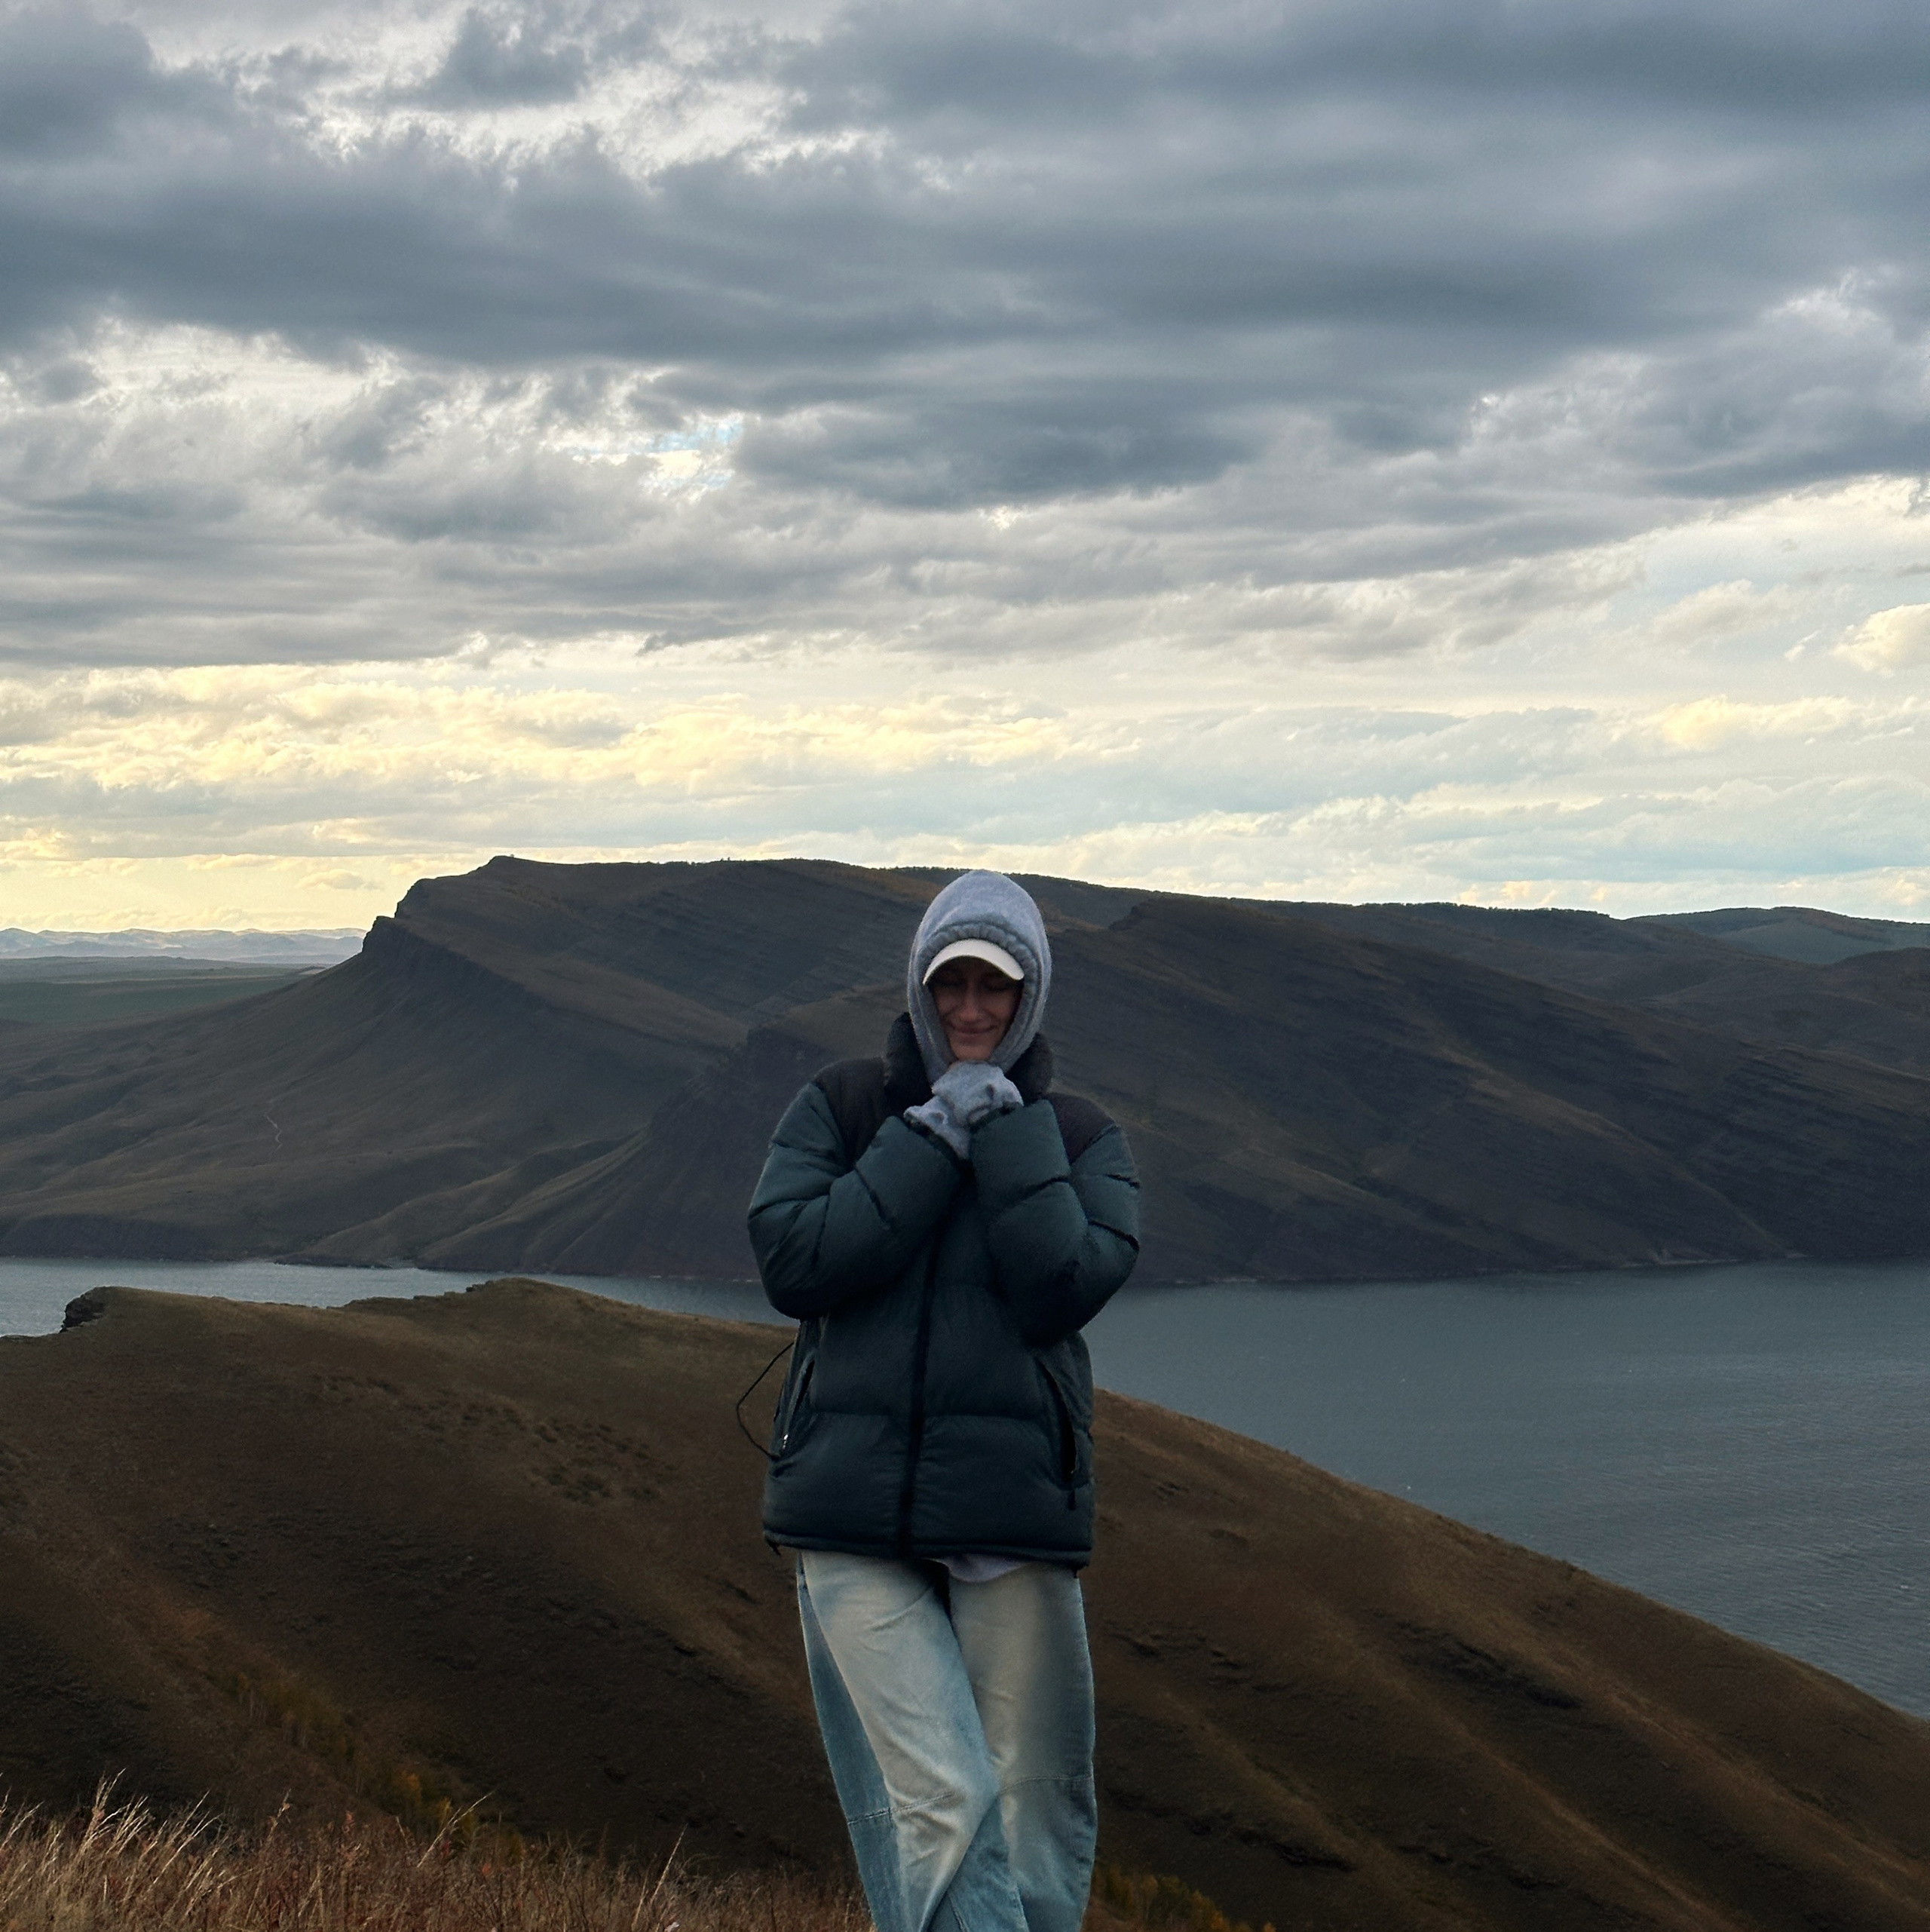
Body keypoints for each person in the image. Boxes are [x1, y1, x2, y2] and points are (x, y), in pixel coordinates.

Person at [748, 869, 1141, 1932]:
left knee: (1035, 1807)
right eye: (952, 982)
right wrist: (929, 1136)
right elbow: (797, 1258)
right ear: (920, 988)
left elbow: (1060, 1285)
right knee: (943, 1800)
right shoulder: (842, 1105)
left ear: (1032, 995)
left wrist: (1006, 1136)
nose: (972, 1008)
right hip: (847, 1513)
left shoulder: (1079, 1134)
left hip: (1009, 1515)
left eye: (996, 986)